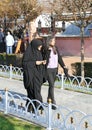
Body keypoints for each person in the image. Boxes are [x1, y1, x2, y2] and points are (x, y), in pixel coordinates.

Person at [22, 34, 46, 111]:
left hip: (37, 76)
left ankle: (30, 108)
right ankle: (38, 107)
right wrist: (35, 63)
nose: (40, 48)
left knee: (34, 93)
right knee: (34, 92)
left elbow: (39, 62)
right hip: (31, 77)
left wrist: (42, 62)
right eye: (39, 47)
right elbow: (25, 64)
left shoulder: (38, 53)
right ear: (35, 46)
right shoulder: (28, 54)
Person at [45, 35, 69, 109]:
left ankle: (49, 99)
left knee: (51, 86)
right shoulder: (46, 49)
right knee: (51, 85)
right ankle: (53, 102)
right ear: (49, 41)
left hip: (55, 69)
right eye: (53, 41)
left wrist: (63, 66)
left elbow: (59, 59)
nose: (54, 42)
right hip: (48, 69)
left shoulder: (55, 48)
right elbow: (44, 59)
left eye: (54, 40)